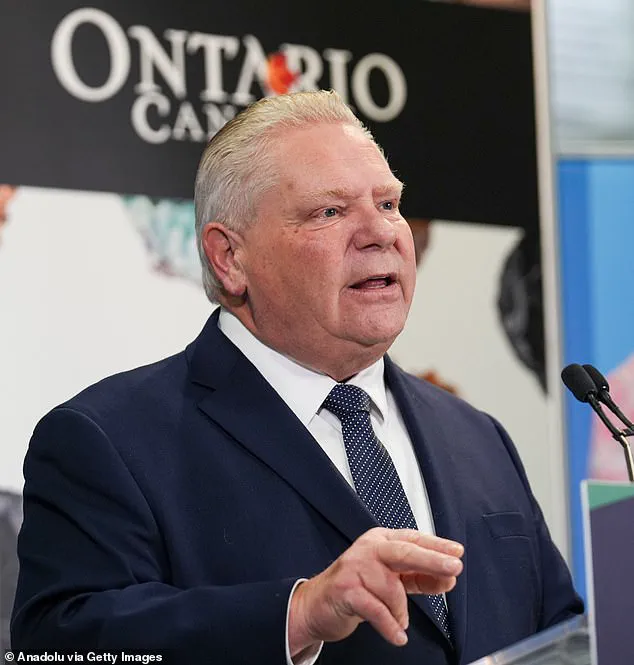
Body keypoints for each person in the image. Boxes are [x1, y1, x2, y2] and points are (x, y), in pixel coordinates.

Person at [12, 90, 582, 664]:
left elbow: (561, 632)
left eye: (388, 203)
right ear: (230, 258)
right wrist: (297, 615)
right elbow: (63, 646)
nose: (381, 232)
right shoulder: (107, 440)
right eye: (329, 212)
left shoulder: (478, 435)